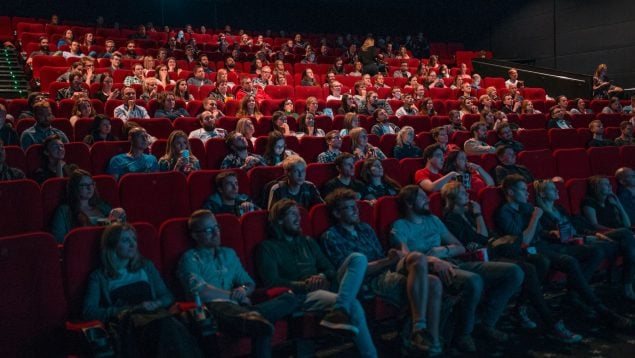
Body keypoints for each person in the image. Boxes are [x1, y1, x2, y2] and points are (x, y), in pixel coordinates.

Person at [440, 182, 582, 343]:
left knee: (539, 261)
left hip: (496, 252)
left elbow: (485, 237)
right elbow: (481, 239)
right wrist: (479, 216)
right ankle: (550, 321)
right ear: (451, 197)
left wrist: (477, 218)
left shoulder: (469, 213)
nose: (467, 194)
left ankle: (521, 309)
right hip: (482, 258)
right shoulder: (451, 218)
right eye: (461, 192)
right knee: (527, 269)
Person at [392, 185, 524, 351]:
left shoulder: (434, 220)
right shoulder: (400, 225)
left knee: (514, 272)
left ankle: (486, 323)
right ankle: (464, 334)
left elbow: (459, 247)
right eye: (421, 197)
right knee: (474, 281)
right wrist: (432, 259)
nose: (427, 199)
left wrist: (443, 250)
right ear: (409, 203)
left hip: (454, 261)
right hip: (432, 269)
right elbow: (406, 257)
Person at [496, 175, 632, 328]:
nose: (528, 194)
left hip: (545, 245)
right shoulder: (504, 212)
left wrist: (552, 233)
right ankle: (601, 309)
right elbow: (524, 241)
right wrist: (535, 218)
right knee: (569, 261)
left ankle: (573, 296)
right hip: (529, 251)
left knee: (594, 251)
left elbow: (540, 233)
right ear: (511, 192)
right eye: (523, 190)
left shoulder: (527, 207)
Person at [320, 188, 443, 355]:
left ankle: (429, 339)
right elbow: (353, 273)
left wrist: (392, 258)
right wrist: (388, 260)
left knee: (420, 260)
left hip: (387, 270)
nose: (356, 210)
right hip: (370, 280)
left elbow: (382, 258)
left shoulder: (365, 229)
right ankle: (422, 336)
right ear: (336, 213)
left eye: (355, 206)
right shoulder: (331, 236)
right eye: (349, 207)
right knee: (431, 283)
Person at [257, 199, 379, 357]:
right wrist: (305, 284)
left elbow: (329, 269)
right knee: (353, 304)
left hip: (326, 284)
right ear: (279, 220)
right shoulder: (267, 248)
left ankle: (339, 309)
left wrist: (320, 276)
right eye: (293, 214)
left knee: (358, 258)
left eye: (299, 214)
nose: (298, 218)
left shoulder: (307, 241)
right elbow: (272, 282)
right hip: (303, 294)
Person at [178, 209, 298, 358]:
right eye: (209, 230)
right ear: (195, 235)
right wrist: (232, 296)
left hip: (239, 308)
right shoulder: (190, 258)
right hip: (213, 310)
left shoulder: (229, 254)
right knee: (253, 322)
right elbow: (200, 291)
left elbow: (249, 283)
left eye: (217, 228)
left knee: (289, 298)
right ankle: (255, 319)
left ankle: (254, 318)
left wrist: (243, 290)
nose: (216, 233)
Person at [83, 223, 203, 357]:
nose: (132, 244)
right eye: (125, 240)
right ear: (112, 245)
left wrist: (156, 303)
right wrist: (129, 309)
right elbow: (89, 311)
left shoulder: (146, 266)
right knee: (165, 327)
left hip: (156, 315)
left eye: (134, 239)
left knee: (169, 325)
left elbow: (167, 296)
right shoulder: (99, 277)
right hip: (129, 323)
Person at [536, 177, 635, 301]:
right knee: (623, 236)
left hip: (581, 237)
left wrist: (593, 234)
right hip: (564, 244)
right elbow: (543, 234)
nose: (557, 191)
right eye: (552, 189)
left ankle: (579, 292)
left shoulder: (560, 209)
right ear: (542, 194)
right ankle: (626, 283)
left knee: (622, 240)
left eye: (556, 188)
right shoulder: (539, 213)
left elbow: (579, 227)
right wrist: (553, 233)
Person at [50, 169, 125, 242]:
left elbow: (118, 228)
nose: (89, 188)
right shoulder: (64, 210)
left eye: (91, 184)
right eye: (84, 185)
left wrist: (119, 213)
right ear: (75, 187)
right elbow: (59, 240)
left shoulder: (101, 206)